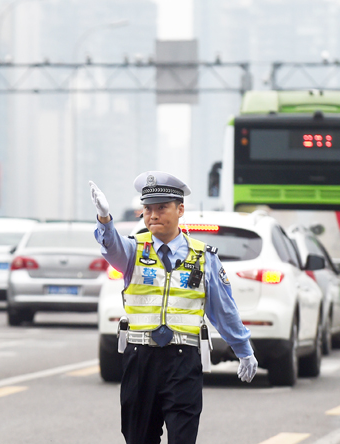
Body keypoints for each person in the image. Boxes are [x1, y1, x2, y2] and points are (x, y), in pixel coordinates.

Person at [89, 172, 258, 444]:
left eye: (161, 208)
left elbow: (223, 310)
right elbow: (110, 247)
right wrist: (104, 220)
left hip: (183, 360)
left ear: (180, 209)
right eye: (148, 209)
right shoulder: (133, 250)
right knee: (137, 438)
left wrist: (243, 350)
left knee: (183, 438)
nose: (153, 215)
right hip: (140, 358)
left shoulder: (203, 257)